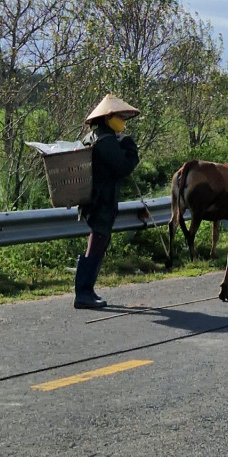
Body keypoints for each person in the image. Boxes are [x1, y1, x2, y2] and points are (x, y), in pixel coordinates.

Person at [74, 94, 140, 310]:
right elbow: (122, 167)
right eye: (119, 116)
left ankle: (87, 290)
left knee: (99, 242)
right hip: (101, 199)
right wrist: (130, 147)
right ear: (108, 117)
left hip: (92, 198)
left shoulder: (94, 136)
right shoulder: (107, 140)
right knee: (97, 241)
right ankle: (83, 293)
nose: (123, 120)